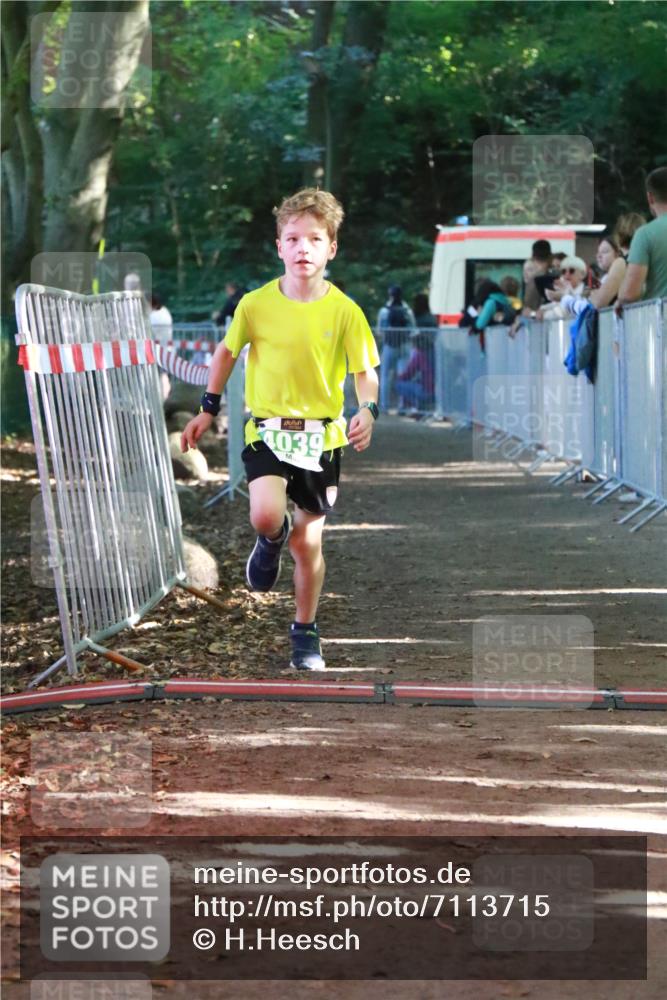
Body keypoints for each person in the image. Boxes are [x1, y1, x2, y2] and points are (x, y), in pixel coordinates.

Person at [180, 189, 379, 671]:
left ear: (331, 248)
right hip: (268, 429)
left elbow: (364, 370)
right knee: (268, 517)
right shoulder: (254, 304)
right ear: (278, 246)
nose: (303, 248)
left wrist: (368, 409)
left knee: (307, 544)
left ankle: (305, 633)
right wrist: (207, 408)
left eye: (314, 238)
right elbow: (226, 353)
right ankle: (268, 541)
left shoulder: (346, 311)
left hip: (323, 437)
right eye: (293, 238)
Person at [616, 166, 667, 310]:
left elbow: (629, 294)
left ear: (650, 197)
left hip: (661, 324)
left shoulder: (645, 234)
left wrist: (620, 300)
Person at [376, 285, 415, 411]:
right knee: (403, 375)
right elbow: (413, 329)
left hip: (390, 345)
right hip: (405, 345)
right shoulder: (407, 310)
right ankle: (402, 405)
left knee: (385, 375)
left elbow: (379, 330)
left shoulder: (384, 311)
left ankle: (384, 405)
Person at [394, 330, 435, 415]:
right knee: (413, 383)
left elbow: (409, 373)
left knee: (399, 385)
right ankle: (411, 408)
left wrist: (398, 378)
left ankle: (416, 407)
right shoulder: (434, 352)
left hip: (426, 390)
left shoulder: (419, 355)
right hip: (437, 390)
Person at [522, 239, 552, 311]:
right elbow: (530, 279)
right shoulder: (529, 265)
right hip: (532, 305)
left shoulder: (551, 265)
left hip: (547, 305)